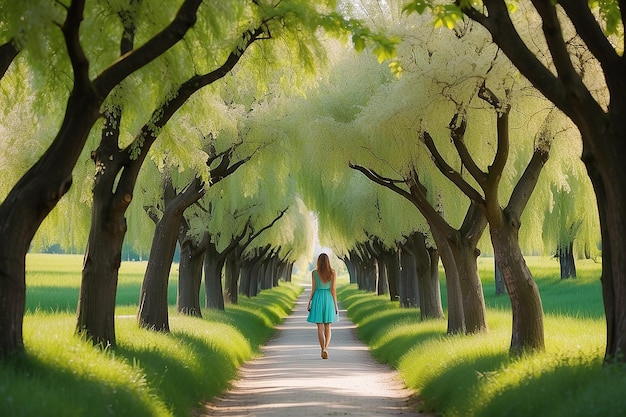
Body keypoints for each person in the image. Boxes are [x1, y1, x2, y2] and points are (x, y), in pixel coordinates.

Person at [306, 253, 339, 359]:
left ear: (318, 262)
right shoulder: (333, 273)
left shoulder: (314, 273)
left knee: (320, 327)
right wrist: (335, 305)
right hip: (328, 299)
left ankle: (322, 349)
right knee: (328, 326)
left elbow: (313, 289)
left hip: (318, 298)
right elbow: (333, 290)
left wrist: (309, 302)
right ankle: (326, 348)